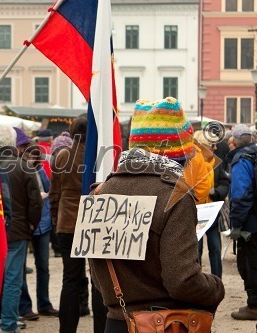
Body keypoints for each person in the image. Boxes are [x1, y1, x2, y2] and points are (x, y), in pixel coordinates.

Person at [89, 97, 225, 332]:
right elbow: (182, 281)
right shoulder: (174, 196)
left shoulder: (101, 191)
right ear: (178, 152)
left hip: (116, 321)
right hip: (163, 323)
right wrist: (216, 287)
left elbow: (97, 275)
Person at [49, 116, 104, 333]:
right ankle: (100, 329)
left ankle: (67, 329)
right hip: (95, 222)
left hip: (68, 223)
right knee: (98, 281)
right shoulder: (101, 156)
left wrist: (55, 216)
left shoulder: (63, 155)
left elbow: (55, 192)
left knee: (70, 279)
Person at [0, 125, 42, 333]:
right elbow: (36, 202)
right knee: (13, 279)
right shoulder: (24, 166)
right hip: (18, 230)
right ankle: (8, 324)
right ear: (14, 144)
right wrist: (31, 225)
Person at [19, 144, 59, 320]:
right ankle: (25, 307)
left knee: (43, 266)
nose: (32, 159)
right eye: (29, 156)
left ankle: (44, 303)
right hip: (24, 224)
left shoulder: (41, 171)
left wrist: (46, 197)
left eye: (35, 156)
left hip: (42, 223)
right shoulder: (18, 170)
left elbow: (49, 189)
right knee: (19, 269)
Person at [226, 124, 257, 320]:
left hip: (252, 225)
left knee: (250, 264)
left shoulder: (241, 160)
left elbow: (240, 195)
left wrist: (236, 225)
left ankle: (254, 306)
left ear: (234, 142)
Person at [194, 130, 229, 278]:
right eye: (212, 145)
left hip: (212, 211)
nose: (215, 148)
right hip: (195, 213)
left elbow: (224, 183)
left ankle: (217, 280)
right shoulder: (192, 163)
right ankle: (196, 281)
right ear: (203, 146)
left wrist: (217, 192)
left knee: (215, 248)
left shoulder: (215, 162)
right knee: (197, 249)